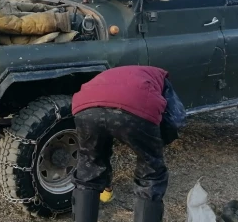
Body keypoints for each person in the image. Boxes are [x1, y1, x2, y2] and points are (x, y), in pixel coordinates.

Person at [71, 65, 184, 222]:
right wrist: (155, 144)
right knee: (151, 173)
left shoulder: (114, 74)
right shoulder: (162, 77)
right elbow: (175, 119)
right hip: (134, 105)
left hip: (85, 107)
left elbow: (106, 118)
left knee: (89, 167)